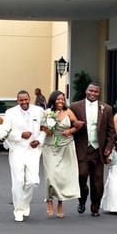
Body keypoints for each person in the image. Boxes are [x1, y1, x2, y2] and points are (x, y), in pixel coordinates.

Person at [71, 83, 115, 217]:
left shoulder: (106, 108)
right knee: (81, 176)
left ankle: (95, 207)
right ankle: (82, 199)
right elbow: (70, 123)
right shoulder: (75, 106)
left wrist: (108, 147)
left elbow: (111, 131)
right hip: (82, 148)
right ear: (86, 91)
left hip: (98, 150)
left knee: (97, 182)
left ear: (99, 93)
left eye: (96, 92)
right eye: (91, 90)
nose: (93, 93)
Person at [3, 90, 45, 222]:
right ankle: (18, 210)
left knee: (33, 181)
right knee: (18, 181)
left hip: (33, 150)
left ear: (29, 99)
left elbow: (44, 128)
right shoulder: (10, 113)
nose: (24, 102)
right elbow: (6, 131)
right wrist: (20, 135)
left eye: (26, 99)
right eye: (21, 100)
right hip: (17, 149)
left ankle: (25, 203)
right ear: (17, 101)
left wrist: (39, 140)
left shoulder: (38, 111)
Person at [40, 90, 83, 218]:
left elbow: (78, 124)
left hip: (66, 146)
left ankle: (60, 203)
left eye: (63, 99)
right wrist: (48, 129)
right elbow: (41, 127)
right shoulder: (47, 113)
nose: (61, 101)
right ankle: (49, 200)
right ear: (53, 100)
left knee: (62, 177)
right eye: (58, 99)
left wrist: (70, 131)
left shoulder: (68, 112)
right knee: (51, 176)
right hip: (50, 146)